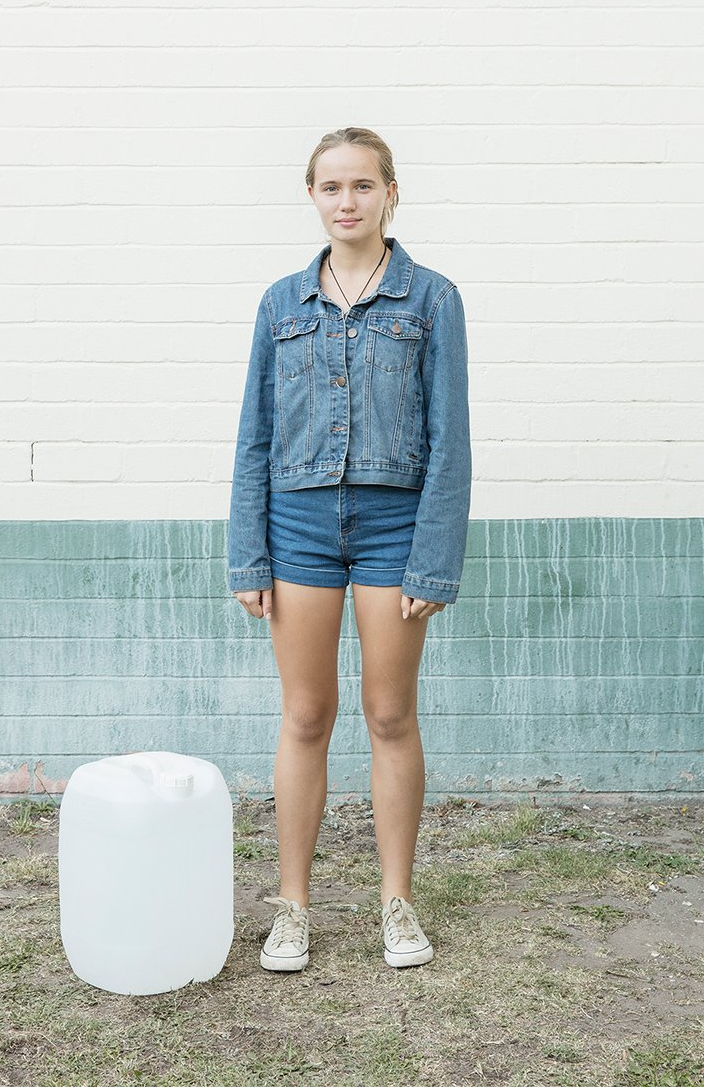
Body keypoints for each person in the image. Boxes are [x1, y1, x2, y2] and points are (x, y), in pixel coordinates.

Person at [227, 127, 473, 974]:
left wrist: (433, 557)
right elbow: (254, 436)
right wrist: (248, 554)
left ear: (390, 193)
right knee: (305, 716)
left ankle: (396, 903)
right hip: (297, 527)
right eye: (331, 187)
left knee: (389, 715)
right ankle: (292, 908)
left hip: (393, 529)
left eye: (363, 185)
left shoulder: (432, 299)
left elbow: (451, 442)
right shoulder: (280, 303)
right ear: (312, 196)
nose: (348, 201)